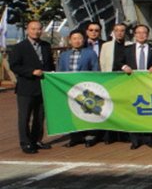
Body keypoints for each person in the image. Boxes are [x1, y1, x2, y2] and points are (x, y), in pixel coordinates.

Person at [10, 20, 55, 154]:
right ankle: (26, 143)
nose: (36, 31)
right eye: (33, 29)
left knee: (39, 116)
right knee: (24, 116)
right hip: (26, 87)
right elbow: (14, 65)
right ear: (27, 30)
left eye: (39, 29)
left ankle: (36, 140)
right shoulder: (20, 47)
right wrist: (31, 72)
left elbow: (50, 64)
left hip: (43, 86)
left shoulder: (46, 46)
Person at [120, 24, 152, 149]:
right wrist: (124, 67)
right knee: (134, 111)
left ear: (148, 35)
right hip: (132, 84)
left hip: (148, 85)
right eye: (138, 33)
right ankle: (135, 139)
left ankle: (149, 138)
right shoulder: (127, 49)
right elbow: (118, 62)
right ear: (135, 35)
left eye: (144, 33)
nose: (141, 35)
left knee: (149, 111)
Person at [59, 29, 100, 148]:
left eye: (80, 38)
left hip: (86, 89)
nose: (77, 41)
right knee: (72, 112)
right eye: (74, 38)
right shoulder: (64, 55)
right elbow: (60, 71)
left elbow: (95, 69)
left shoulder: (90, 53)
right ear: (70, 40)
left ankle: (90, 136)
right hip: (70, 89)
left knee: (87, 111)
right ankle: (75, 137)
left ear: (84, 40)